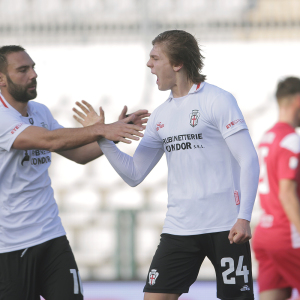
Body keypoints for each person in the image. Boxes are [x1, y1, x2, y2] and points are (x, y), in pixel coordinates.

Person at [74, 30, 260, 300]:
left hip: (226, 227)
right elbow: (134, 174)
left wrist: (243, 217)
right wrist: (102, 137)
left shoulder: (218, 100)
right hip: (179, 229)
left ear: (177, 63)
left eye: (154, 58)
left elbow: (249, 159)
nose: (149, 65)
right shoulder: (161, 115)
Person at [0, 45, 149, 300]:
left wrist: (115, 133)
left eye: (33, 67)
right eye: (22, 70)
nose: (33, 74)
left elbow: (79, 154)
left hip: (51, 236)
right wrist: (102, 130)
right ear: (1, 79)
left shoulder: (40, 112)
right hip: (10, 246)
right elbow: (49, 141)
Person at [252, 77, 300, 300]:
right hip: (288, 235)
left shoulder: (268, 137)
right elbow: (286, 193)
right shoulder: (291, 140)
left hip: (266, 233)